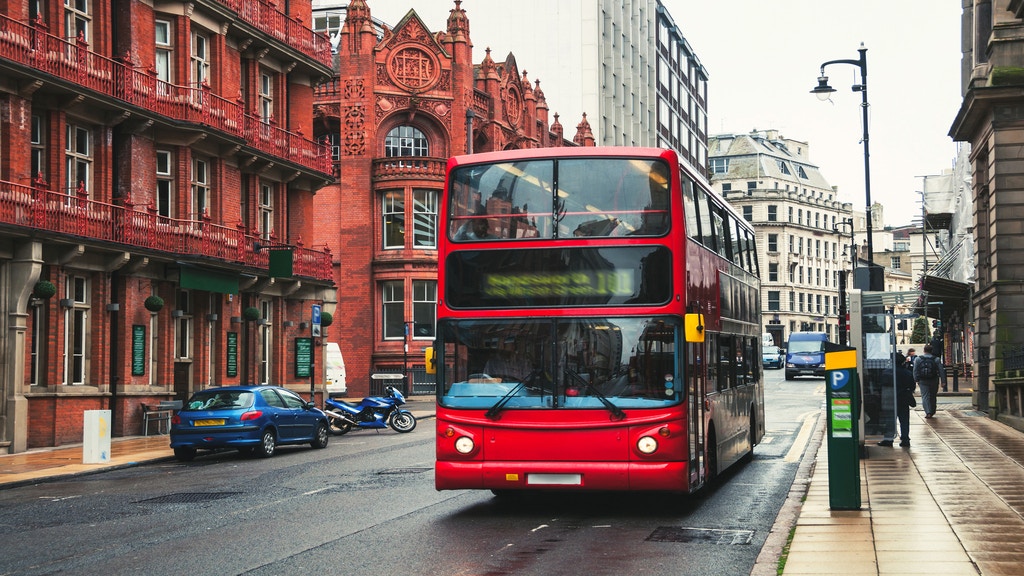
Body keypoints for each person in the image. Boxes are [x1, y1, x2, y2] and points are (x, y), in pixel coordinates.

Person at [878, 364, 916, 447]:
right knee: (904, 420)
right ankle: (905, 439)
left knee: (890, 420)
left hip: (890, 398)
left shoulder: (886, 372)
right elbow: (912, 386)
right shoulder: (907, 373)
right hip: (903, 399)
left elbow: (880, 384)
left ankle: (889, 439)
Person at [914, 344, 944, 418]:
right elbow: (941, 371)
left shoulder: (918, 359)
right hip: (934, 380)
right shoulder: (936, 359)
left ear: (924, 350)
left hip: (922, 380)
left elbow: (915, 370)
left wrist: (916, 379)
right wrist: (943, 381)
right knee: (933, 396)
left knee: (925, 396)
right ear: (932, 351)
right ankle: (932, 410)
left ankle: (928, 412)